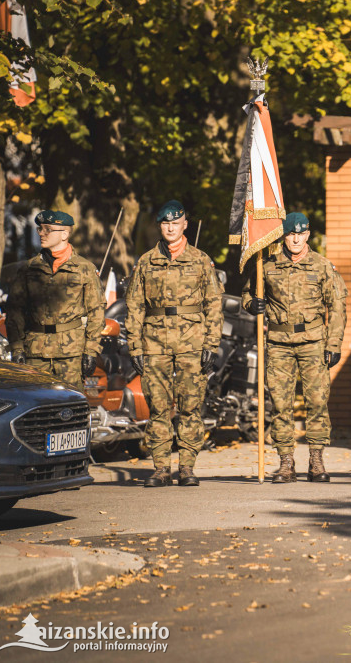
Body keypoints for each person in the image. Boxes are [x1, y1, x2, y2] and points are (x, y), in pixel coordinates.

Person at [241, 212, 347, 483]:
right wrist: (252, 304)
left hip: (313, 342)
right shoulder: (266, 265)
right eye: (291, 234)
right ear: (283, 235)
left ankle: (316, 459)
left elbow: (337, 307)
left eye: (301, 233)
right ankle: (286, 462)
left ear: (308, 234)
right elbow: (248, 292)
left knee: (317, 402)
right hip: (278, 344)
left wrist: (333, 343)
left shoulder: (322, 266)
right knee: (280, 404)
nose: (296, 239)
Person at [125, 200, 223, 487]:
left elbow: (213, 305)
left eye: (175, 222)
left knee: (190, 405)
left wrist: (211, 343)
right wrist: (135, 346)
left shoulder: (201, 260)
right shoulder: (146, 261)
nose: (170, 227)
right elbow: (134, 306)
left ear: (184, 225)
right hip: (154, 341)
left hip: (192, 341)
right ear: (160, 226)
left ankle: (188, 467)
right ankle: (161, 468)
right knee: (157, 406)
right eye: (165, 223)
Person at [6, 210, 104, 391]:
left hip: (71, 355)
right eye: (40, 229)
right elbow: (14, 310)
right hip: (35, 352)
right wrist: (17, 347)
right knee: (34, 407)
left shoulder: (84, 269)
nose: (42, 233)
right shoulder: (28, 269)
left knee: (70, 407)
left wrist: (91, 350)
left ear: (65, 234)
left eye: (48, 229)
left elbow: (96, 312)